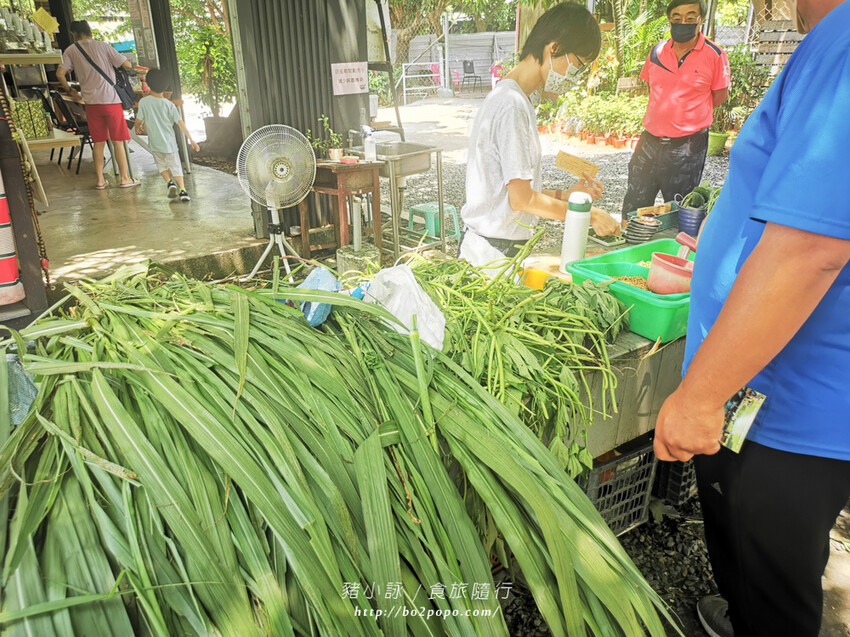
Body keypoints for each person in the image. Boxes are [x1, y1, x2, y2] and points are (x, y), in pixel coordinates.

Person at [653, 0, 850, 634]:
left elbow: (813, 248)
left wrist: (700, 398)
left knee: (774, 586)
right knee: (754, 574)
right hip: (794, 403)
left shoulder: (843, 38)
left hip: (782, 415)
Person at [458, 3, 620, 267]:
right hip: (492, 257)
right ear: (554, 48)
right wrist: (588, 215)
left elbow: (508, 190)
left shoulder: (513, 98)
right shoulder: (511, 105)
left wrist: (564, 195)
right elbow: (522, 200)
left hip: (495, 251)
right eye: (578, 65)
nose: (576, 78)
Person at [620, 0, 729, 215]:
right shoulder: (656, 52)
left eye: (690, 18)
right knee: (635, 204)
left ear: (701, 20)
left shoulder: (715, 55)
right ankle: (632, 244)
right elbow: (654, 89)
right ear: (669, 20)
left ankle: (671, 247)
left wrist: (690, 115)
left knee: (681, 209)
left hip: (688, 146)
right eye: (677, 18)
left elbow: (719, 96)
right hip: (649, 141)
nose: (683, 22)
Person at [56, 20, 137, 190]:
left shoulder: (71, 50)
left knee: (99, 142)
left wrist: (70, 91)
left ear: (74, 34)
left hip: (91, 103)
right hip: (111, 100)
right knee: (118, 141)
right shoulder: (103, 46)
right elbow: (126, 64)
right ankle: (124, 178)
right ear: (89, 31)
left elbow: (60, 73)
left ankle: (100, 181)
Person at [134, 69, 200, 202]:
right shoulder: (169, 105)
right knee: (176, 167)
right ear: (165, 86)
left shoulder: (144, 102)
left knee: (161, 165)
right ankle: (182, 190)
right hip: (169, 143)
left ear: (148, 83)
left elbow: (138, 120)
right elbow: (180, 123)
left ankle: (169, 182)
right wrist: (192, 140)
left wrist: (137, 127)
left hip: (155, 143)